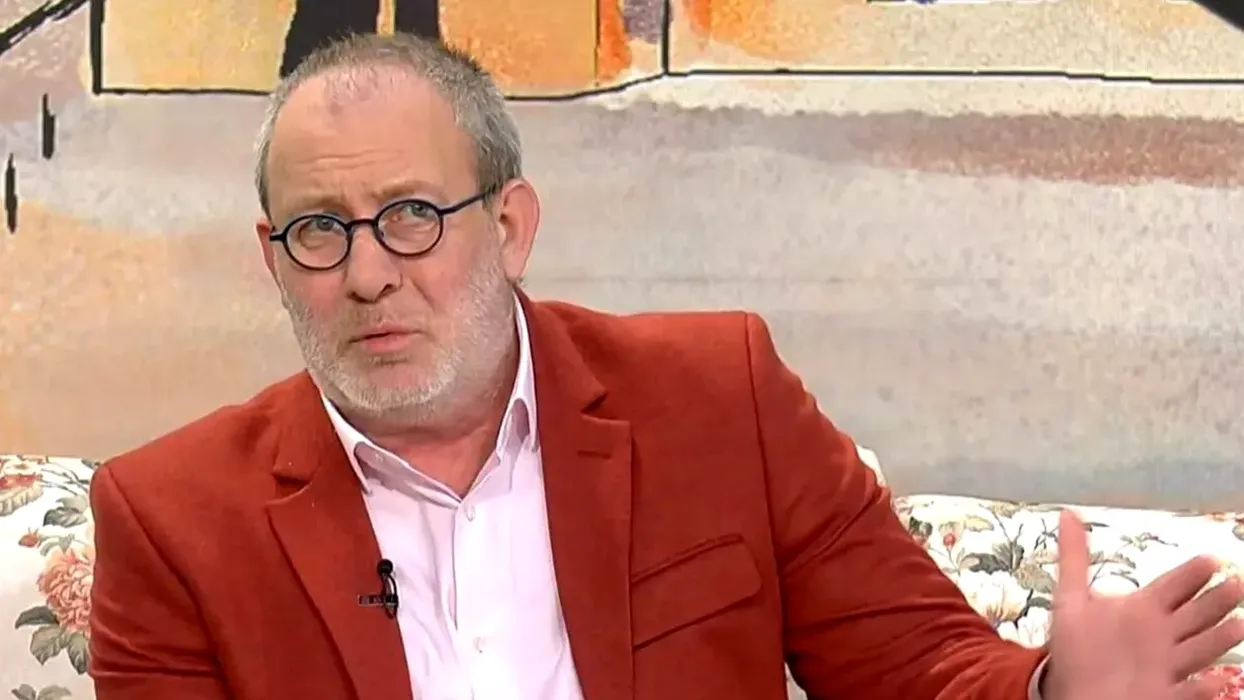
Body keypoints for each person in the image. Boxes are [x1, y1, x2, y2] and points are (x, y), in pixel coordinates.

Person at [87, 32, 1244, 700]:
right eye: (318, 232)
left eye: (410, 216)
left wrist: (1051, 689)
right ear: (274, 260)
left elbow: (915, 666)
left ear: (509, 226)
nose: (368, 273)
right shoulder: (172, 517)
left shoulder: (719, 396)